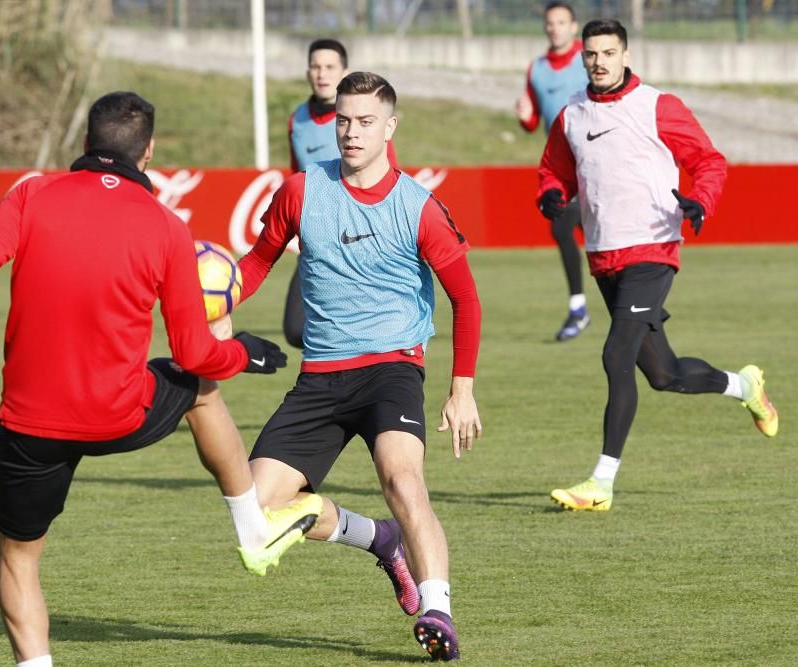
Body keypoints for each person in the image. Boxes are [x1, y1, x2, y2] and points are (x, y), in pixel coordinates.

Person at [0, 91, 322, 667]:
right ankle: (251, 524)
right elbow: (195, 353)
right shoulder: (166, 228)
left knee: (19, 560)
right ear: (148, 152)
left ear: (85, 144)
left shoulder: (30, 196)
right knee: (199, 389)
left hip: (32, 423)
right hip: (120, 412)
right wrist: (240, 353)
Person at [239, 72, 482, 661]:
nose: (350, 132)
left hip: (392, 368)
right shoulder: (301, 191)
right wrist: (210, 302)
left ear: (390, 127)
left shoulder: (417, 206)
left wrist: (462, 388)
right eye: (343, 120)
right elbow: (256, 262)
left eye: (365, 121)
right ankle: (378, 539)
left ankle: (438, 610)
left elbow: (466, 298)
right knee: (256, 514)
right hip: (320, 376)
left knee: (402, 478)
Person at [536, 19, 779, 512]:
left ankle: (601, 482)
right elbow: (554, 169)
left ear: (625, 55)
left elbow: (709, 160)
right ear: (583, 58)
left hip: (653, 250)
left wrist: (701, 202)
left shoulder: (657, 105)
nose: (599, 61)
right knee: (664, 374)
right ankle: (744, 385)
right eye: (591, 54)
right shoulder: (572, 116)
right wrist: (551, 193)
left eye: (608, 52)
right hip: (605, 258)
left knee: (614, 355)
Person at [282, 38, 398, 349]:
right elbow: (298, 177)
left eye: (329, 67)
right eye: (316, 66)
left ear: (343, 71)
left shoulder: (363, 119)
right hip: (317, 237)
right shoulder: (297, 119)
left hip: (359, 235)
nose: (322, 73)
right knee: (295, 329)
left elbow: (388, 178)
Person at [516, 1, 591, 341]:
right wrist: (524, 114)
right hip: (563, 169)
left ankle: (633, 301)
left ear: (573, 26)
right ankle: (578, 308)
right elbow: (532, 123)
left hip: (597, 162)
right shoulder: (537, 68)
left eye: (562, 22)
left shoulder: (589, 58)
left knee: (604, 234)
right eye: (550, 22)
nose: (555, 28)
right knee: (562, 228)